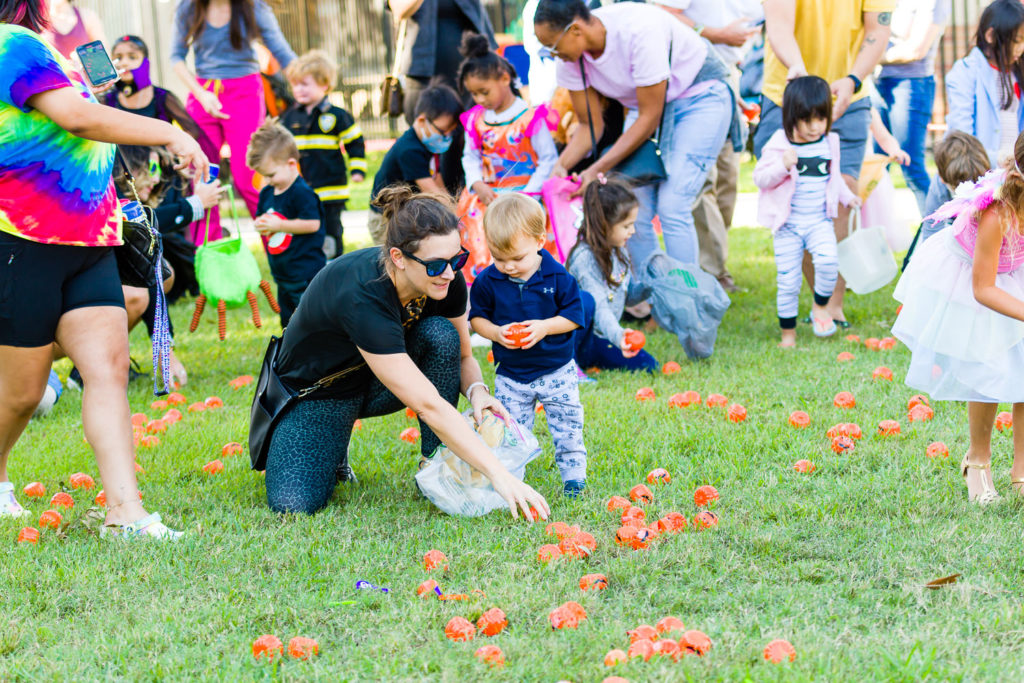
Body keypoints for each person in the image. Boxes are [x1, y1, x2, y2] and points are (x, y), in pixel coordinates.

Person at [0, 1, 208, 537]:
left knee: (109, 371)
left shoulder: (50, 48)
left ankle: (126, 514)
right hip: (25, 238)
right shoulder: (9, 42)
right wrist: (168, 131)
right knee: (22, 393)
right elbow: (76, 117)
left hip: (90, 237)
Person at [262, 187, 550, 518]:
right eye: (436, 265)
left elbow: (462, 354)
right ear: (398, 257)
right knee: (293, 505)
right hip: (319, 394)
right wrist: (498, 474)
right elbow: (428, 405)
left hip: (376, 380)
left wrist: (477, 392)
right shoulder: (362, 293)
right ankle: (331, 444)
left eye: (458, 259)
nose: (449, 273)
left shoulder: (445, 276)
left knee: (440, 336)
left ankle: (434, 463)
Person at [533, 0, 737, 270]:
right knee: (630, 205)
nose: (553, 55)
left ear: (575, 30)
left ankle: (686, 304)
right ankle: (655, 297)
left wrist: (596, 169)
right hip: (645, 110)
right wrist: (562, 165)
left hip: (699, 96)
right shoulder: (570, 60)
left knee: (673, 204)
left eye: (554, 46)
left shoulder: (637, 30)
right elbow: (588, 126)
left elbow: (648, 118)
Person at [892, 133, 1024, 505]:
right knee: (990, 368)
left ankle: (1021, 469)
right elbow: (982, 287)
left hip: (1015, 269)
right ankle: (978, 460)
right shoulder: (997, 213)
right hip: (971, 278)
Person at [757, 0, 894, 328]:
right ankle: (818, 298)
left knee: (840, 199)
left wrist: (852, 79)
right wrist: (800, 74)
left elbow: (878, 29)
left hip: (849, 96)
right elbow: (778, 26)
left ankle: (831, 307)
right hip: (789, 95)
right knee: (799, 201)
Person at [468, 194, 587, 497]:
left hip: (556, 369)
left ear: (540, 241)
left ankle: (573, 477)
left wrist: (545, 326)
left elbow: (573, 316)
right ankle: (511, 480)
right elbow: (477, 319)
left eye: (517, 258)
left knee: (567, 424)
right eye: (498, 257)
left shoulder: (558, 277)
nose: (507, 266)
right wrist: (495, 332)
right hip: (512, 373)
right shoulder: (487, 281)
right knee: (511, 431)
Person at [654, 0, 763, 292]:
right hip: (695, 76)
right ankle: (712, 273)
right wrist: (715, 34)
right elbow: (661, 12)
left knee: (728, 179)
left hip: (731, 72)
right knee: (701, 183)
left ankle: (714, 262)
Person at [171, 0, 297, 242]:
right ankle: (207, 256)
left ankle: (277, 247)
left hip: (244, 92)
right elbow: (176, 57)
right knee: (202, 174)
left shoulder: (253, 7)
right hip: (203, 91)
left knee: (247, 176)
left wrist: (305, 80)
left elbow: (282, 52)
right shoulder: (189, 7)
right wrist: (201, 93)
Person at [753, 77, 859, 348]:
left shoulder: (829, 142)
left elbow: (832, 178)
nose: (815, 127)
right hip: (788, 225)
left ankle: (820, 307)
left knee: (828, 262)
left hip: (818, 221)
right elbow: (760, 178)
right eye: (807, 120)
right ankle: (788, 335)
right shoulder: (779, 143)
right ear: (791, 117)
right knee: (788, 281)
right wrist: (781, 165)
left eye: (821, 119)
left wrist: (849, 197)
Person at [456, 32, 558, 284]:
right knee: (482, 241)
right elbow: (470, 156)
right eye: (474, 94)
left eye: (484, 92)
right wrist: (476, 183)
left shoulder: (530, 117)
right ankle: (483, 293)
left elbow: (548, 159)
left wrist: (530, 194)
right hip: (487, 197)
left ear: (504, 78)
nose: (479, 99)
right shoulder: (476, 120)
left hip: (526, 197)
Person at [567, 175, 659, 373]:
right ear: (604, 225)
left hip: (601, 339)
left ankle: (590, 362)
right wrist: (619, 336)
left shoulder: (618, 250)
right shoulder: (584, 258)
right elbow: (599, 308)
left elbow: (627, 296)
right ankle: (569, 366)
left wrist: (651, 282)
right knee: (585, 300)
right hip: (579, 340)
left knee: (648, 366)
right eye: (626, 226)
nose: (632, 231)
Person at [281, 50, 367, 260]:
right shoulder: (289, 117)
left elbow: (355, 142)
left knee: (331, 228)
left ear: (324, 85)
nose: (299, 90)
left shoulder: (337, 115)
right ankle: (309, 261)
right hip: (301, 188)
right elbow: (281, 148)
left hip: (331, 188)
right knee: (306, 226)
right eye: (295, 84)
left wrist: (357, 169)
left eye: (305, 84)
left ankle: (333, 263)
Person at [873, 0, 951, 214]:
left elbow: (917, 49)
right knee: (877, 166)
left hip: (911, 85)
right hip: (879, 82)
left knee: (911, 165)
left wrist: (870, 57)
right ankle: (879, 237)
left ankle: (936, 231)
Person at [246, 121, 326, 327]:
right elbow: (263, 218)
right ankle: (291, 353)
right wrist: (261, 224)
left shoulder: (301, 193)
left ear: (291, 164)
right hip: (282, 272)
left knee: (309, 321)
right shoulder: (267, 193)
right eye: (264, 175)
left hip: (305, 271)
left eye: (271, 175)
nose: (268, 180)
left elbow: (312, 224)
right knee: (288, 322)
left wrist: (280, 226)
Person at [368, 82, 462, 244]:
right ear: (421, 120)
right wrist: (455, 218)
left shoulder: (429, 145)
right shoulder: (409, 150)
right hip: (385, 218)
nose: (447, 136)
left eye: (450, 132)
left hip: (404, 213)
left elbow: (436, 178)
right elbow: (430, 189)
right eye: (443, 131)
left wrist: (455, 208)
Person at [944, 0, 1024, 169]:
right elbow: (963, 139)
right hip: (980, 176)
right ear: (991, 36)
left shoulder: (1019, 72)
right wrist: (999, 158)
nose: (1021, 48)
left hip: (1015, 177)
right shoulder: (965, 72)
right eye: (1017, 41)